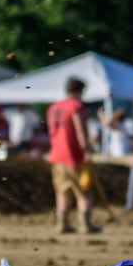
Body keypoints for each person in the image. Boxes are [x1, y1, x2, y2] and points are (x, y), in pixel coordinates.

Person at [47, 76, 100, 234]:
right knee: (84, 192)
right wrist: (87, 150)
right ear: (80, 90)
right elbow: (80, 132)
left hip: (56, 156)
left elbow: (52, 132)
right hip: (74, 157)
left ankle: (62, 224)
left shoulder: (54, 107)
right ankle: (85, 225)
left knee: (63, 191)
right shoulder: (77, 107)